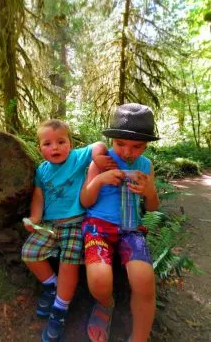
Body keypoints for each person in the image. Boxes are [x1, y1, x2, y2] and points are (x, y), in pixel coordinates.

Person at [21, 119, 116, 342]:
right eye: (47, 144)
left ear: (70, 144)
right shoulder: (42, 171)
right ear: (39, 149)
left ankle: (59, 310)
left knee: (70, 262)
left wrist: (97, 156)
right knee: (29, 253)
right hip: (49, 224)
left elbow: (98, 145)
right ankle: (52, 286)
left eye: (61, 142)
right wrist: (34, 218)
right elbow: (38, 196)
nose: (55, 147)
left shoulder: (77, 158)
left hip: (75, 222)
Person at [80, 103, 160, 342]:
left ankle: (139, 336)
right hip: (98, 226)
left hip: (130, 230)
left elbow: (153, 207)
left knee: (144, 279)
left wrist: (149, 191)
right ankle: (106, 305)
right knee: (99, 279)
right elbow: (85, 200)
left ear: (146, 146)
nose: (127, 152)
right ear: (112, 140)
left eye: (136, 147)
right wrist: (100, 180)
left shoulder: (145, 166)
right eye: (120, 144)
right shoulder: (102, 161)